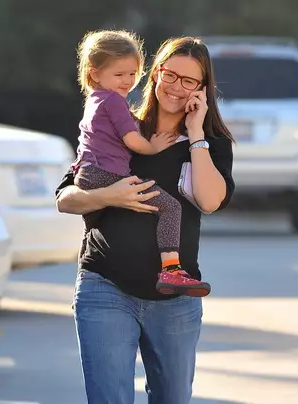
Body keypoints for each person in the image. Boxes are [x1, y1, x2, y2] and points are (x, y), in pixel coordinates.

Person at [56, 35, 235, 404]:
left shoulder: (211, 142)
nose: (179, 87)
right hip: (104, 286)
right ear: (154, 73)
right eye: (171, 75)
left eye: (191, 80)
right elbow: (67, 194)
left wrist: (197, 135)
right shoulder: (116, 119)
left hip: (175, 299)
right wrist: (106, 196)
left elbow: (210, 199)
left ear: (204, 88)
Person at [73, 29, 211, 296]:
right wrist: (154, 146)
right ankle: (171, 270)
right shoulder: (114, 101)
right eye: (119, 74)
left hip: (89, 173)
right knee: (170, 207)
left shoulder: (96, 100)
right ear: (94, 73)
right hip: (106, 174)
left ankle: (97, 266)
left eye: (132, 74)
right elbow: (133, 140)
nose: (127, 81)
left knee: (96, 224)